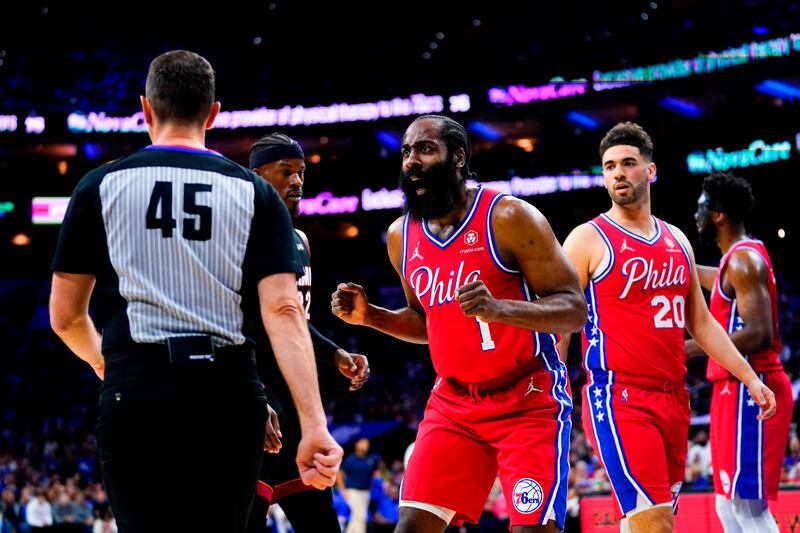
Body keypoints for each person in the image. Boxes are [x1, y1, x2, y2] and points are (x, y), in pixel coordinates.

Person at [49, 50, 341, 533]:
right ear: (213, 113)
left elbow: (65, 318)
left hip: (135, 388)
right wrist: (314, 425)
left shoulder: (98, 185)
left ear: (146, 109)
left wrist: (104, 363)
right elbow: (285, 311)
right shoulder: (255, 193)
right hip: (227, 393)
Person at [331, 114, 586, 533]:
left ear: (459, 158)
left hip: (527, 397)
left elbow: (575, 309)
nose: (411, 161)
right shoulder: (401, 236)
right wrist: (371, 316)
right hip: (455, 404)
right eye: (406, 151)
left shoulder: (509, 217)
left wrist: (501, 309)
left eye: (425, 149)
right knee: (411, 528)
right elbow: (426, 322)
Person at [558, 122, 776, 533]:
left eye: (628, 163)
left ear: (650, 170)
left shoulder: (677, 239)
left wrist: (749, 378)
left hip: (674, 398)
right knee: (656, 523)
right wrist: (553, 392)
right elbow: (560, 319)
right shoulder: (587, 239)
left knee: (642, 522)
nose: (618, 173)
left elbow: (702, 323)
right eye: (609, 167)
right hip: (619, 396)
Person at [245, 132, 369, 533]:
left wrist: (335, 353)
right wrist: (254, 396)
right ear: (257, 176)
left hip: (295, 401)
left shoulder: (299, 240)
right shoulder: (238, 236)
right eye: (286, 172)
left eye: (301, 172)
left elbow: (293, 319)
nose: (297, 181)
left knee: (321, 522)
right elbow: (231, 325)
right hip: (255, 398)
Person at [686, 172, 792, 532]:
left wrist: (691, 347)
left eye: (701, 207)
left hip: (754, 388)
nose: (696, 215)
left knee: (747, 508)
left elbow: (760, 334)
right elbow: (718, 280)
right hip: (732, 390)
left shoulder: (745, 261)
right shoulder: (736, 261)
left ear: (718, 214)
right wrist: (679, 267)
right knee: (727, 507)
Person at [336, 437, 381, 533]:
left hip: (366, 492)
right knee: (360, 516)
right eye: (363, 443)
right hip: (353, 491)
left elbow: (375, 473)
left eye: (367, 443)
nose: (366, 445)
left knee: (357, 518)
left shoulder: (370, 459)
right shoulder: (351, 459)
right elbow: (340, 474)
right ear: (357, 445)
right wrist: (342, 490)